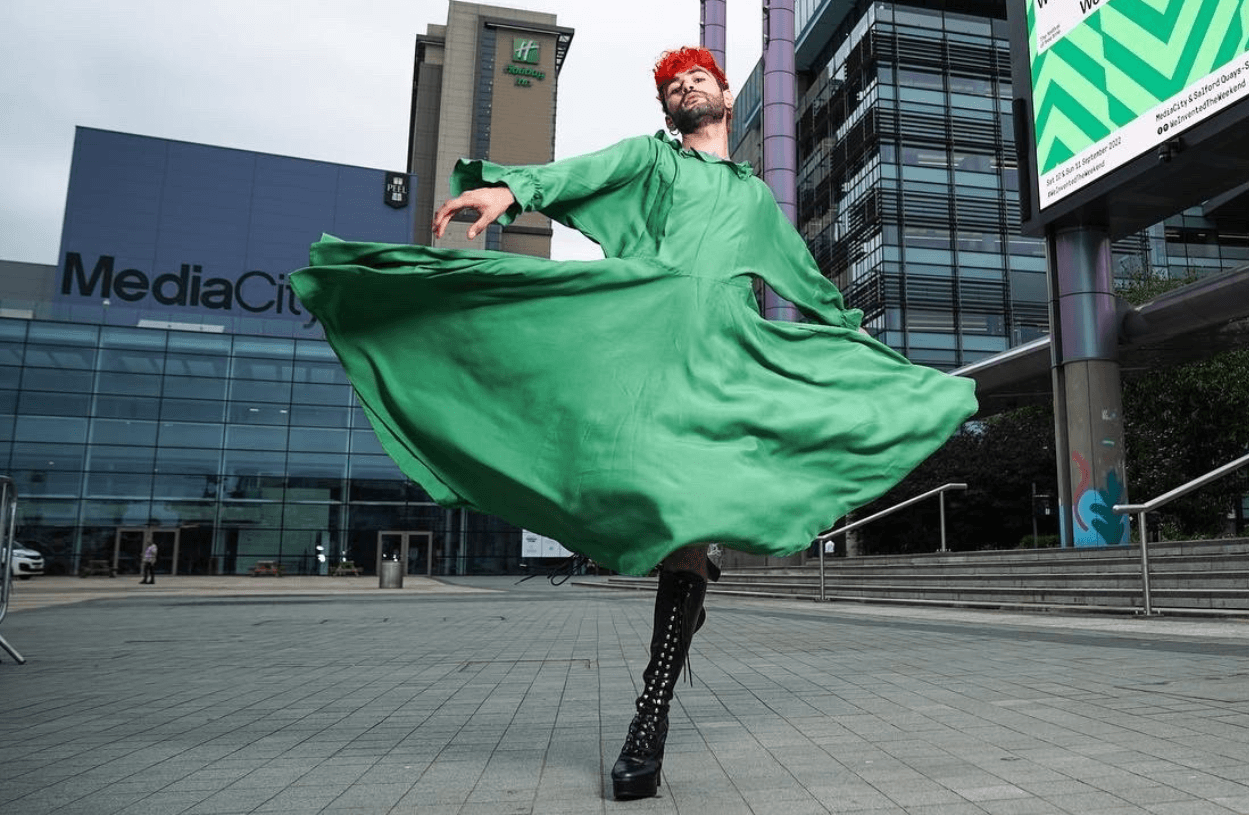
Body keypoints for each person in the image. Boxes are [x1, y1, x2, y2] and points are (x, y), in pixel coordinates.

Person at [291, 46, 975, 801]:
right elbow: (576, 175)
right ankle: (683, 591)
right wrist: (509, 192)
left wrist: (865, 350)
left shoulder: (754, 201)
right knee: (643, 497)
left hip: (723, 363)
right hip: (646, 344)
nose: (685, 87)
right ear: (668, 108)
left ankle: (648, 718)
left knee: (688, 522)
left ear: (723, 94)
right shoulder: (653, 162)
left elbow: (809, 283)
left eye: (697, 78)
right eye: (672, 85)